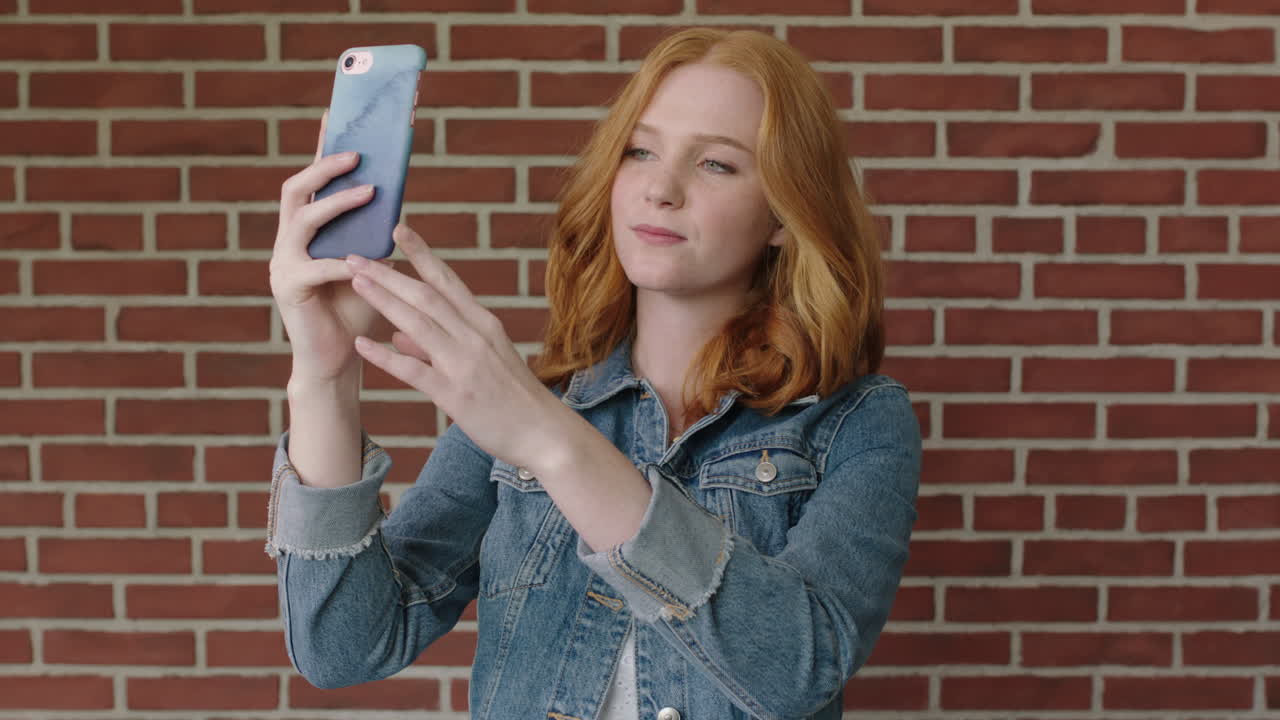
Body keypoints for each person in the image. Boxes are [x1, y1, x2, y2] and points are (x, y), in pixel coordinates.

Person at [265, 27, 921, 720]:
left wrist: (554, 445)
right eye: (640, 151)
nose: (661, 190)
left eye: (717, 165)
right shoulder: (527, 405)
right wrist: (325, 373)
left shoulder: (858, 421)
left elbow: (797, 667)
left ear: (786, 214)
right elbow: (344, 647)